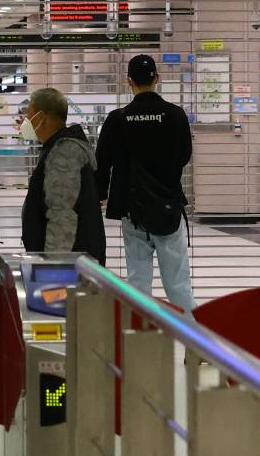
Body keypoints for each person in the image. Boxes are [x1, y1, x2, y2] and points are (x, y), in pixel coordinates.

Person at [95, 55, 192, 309]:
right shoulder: (175, 115)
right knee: (178, 285)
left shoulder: (118, 119)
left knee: (138, 284)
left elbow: (102, 162)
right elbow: (184, 156)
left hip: (132, 210)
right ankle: (196, 343)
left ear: (129, 81)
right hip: (169, 209)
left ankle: (140, 341)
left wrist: (99, 195)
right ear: (156, 79)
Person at [21, 86, 105, 263]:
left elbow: (63, 216)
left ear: (41, 117)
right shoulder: (57, 148)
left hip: (70, 266)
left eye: (29, 115)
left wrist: (53, 267)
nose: (26, 121)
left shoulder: (64, 153)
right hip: (75, 262)